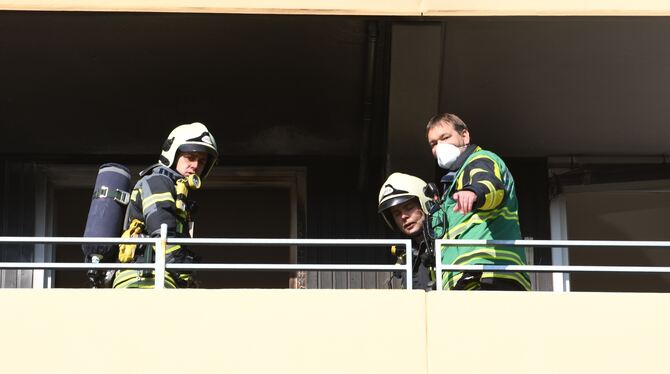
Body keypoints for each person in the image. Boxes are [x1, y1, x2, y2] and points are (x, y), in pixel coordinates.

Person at [426, 113, 530, 291]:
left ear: (464, 135)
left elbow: (489, 183)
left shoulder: (480, 160)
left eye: (445, 137)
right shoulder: (453, 182)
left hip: (490, 273)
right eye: (434, 143)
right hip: (462, 278)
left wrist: (474, 192)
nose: (440, 146)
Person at [112, 122, 218, 288]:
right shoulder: (158, 182)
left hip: (156, 276)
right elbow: (163, 234)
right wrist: (183, 272)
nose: (196, 166)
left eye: (202, 161)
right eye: (190, 157)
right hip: (143, 279)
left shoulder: (176, 189)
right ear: (173, 154)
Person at [378, 173, 436, 291]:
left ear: (426, 203)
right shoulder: (405, 254)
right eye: (397, 213)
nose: (403, 216)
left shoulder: (446, 241)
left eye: (409, 208)